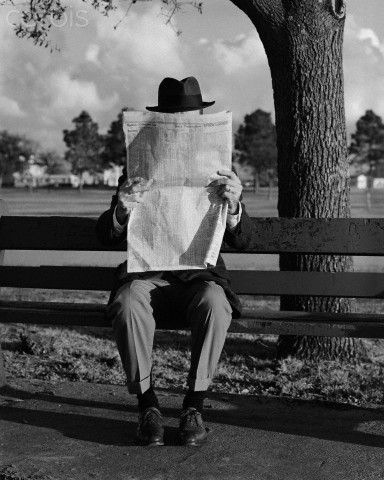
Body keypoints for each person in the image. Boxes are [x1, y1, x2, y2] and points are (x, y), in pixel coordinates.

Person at [96, 76, 255, 446]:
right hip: (149, 277)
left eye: (190, 117)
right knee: (127, 301)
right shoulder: (135, 172)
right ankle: (147, 405)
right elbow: (105, 234)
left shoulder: (223, 175)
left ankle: (193, 406)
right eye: (174, 118)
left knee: (216, 303)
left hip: (198, 281)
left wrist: (234, 206)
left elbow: (245, 239)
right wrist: (122, 206)